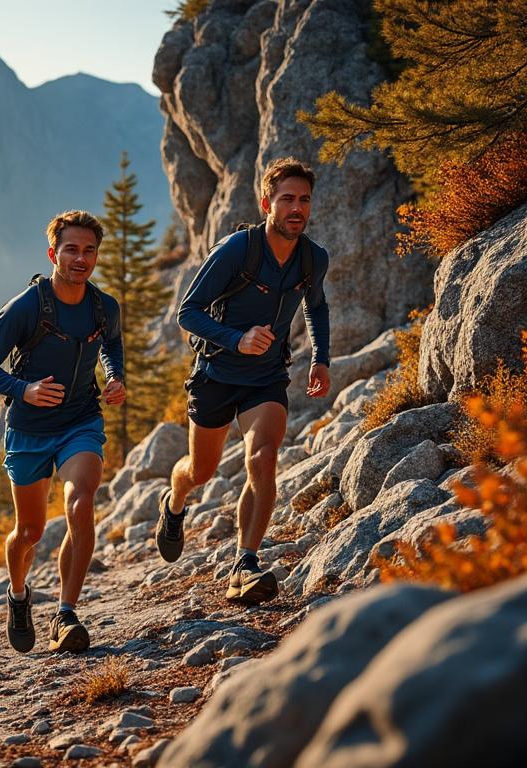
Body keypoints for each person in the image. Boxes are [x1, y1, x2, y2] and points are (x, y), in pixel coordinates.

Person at [157, 158, 331, 604]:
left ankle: (246, 563)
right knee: (201, 471)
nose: (296, 208)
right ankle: (173, 502)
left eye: (304, 199)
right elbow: (188, 312)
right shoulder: (238, 250)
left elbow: (315, 306)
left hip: (266, 378)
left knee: (264, 457)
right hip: (216, 373)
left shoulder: (313, 258)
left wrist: (320, 358)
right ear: (266, 203)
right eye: (287, 199)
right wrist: (237, 339)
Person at [0, 210, 126, 653]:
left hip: (80, 420)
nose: (81, 259)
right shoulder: (27, 307)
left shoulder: (103, 307)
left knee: (80, 502)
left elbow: (111, 344)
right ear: (53, 254)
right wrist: (25, 390)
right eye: (72, 249)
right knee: (31, 533)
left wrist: (114, 376)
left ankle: (66, 613)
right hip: (29, 430)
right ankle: (18, 595)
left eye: (89, 250)